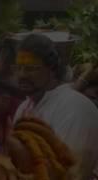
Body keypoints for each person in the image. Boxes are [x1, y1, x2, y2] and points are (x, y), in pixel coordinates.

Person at [12, 34, 98, 180]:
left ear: (52, 69)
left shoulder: (75, 108)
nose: (22, 75)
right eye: (19, 68)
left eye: (31, 69)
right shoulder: (24, 107)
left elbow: (68, 173)